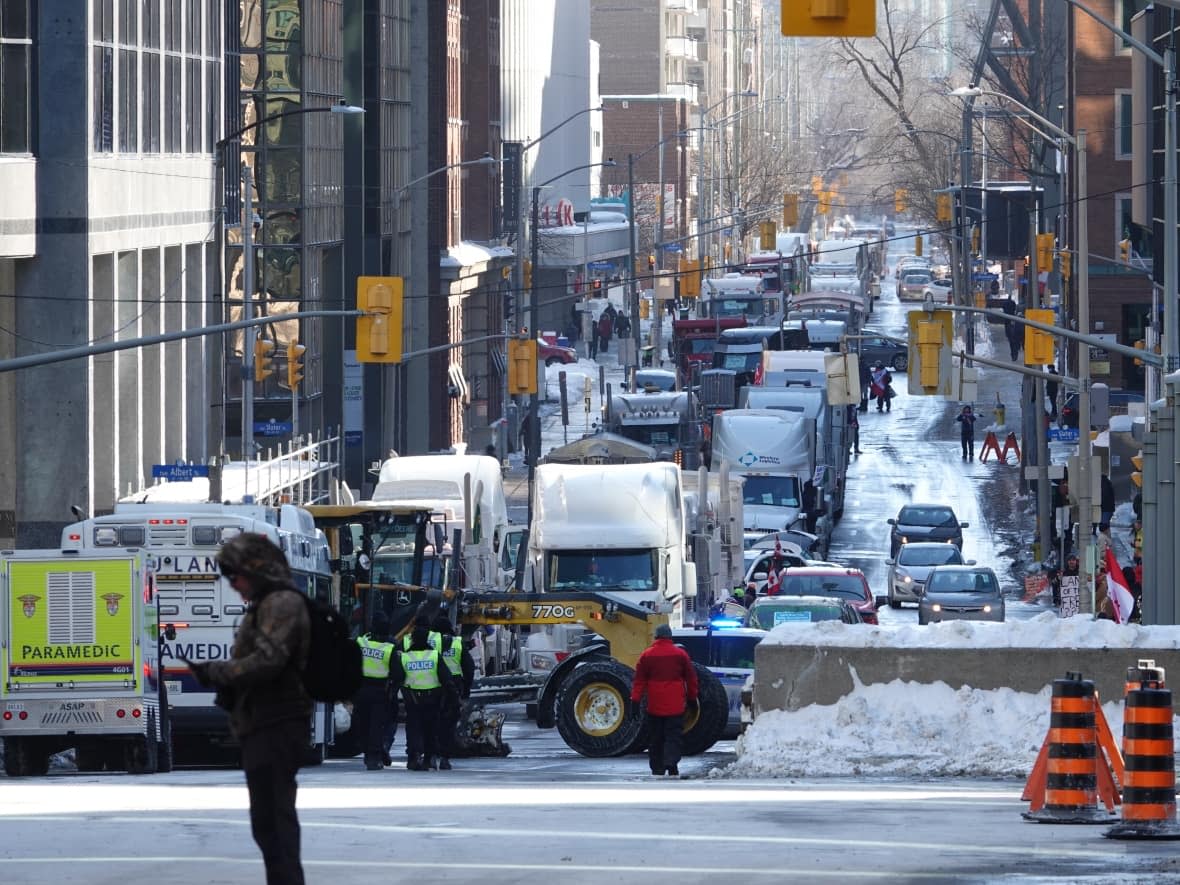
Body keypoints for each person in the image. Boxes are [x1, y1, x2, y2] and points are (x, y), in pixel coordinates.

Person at [187, 533, 311, 885]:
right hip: (262, 723)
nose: (234, 585)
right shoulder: (264, 604)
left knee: (275, 820)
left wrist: (219, 671)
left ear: (256, 570)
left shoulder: (281, 602)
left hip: (278, 723)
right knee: (266, 822)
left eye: (236, 577)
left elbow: (269, 660)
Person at [630, 623, 699, 777]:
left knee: (655, 737)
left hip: (654, 705)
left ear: (656, 636)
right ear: (670, 636)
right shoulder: (680, 654)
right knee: (673, 736)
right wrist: (692, 698)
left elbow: (639, 681)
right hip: (675, 705)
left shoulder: (647, 655)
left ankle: (657, 768)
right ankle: (671, 763)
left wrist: (635, 701)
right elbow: (691, 678)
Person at [398, 621, 456, 771]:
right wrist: (453, 697)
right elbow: (446, 678)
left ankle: (413, 757)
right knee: (430, 730)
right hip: (432, 700)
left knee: (413, 730)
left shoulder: (405, 657)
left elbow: (397, 678)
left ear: (413, 639)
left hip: (412, 700)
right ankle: (428, 759)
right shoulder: (434, 656)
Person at [353, 611, 397, 770]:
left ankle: (369, 754)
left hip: (360, 690)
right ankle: (374, 756)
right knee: (377, 725)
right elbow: (397, 672)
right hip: (381, 691)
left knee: (363, 724)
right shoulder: (390, 647)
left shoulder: (361, 642)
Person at [431, 615, 474, 768]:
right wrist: (466, 691)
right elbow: (469, 668)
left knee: (431, 722)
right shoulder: (457, 643)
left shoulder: (430, 642)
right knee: (448, 724)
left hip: (432, 685)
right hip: (453, 687)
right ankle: (444, 757)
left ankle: (430, 755)